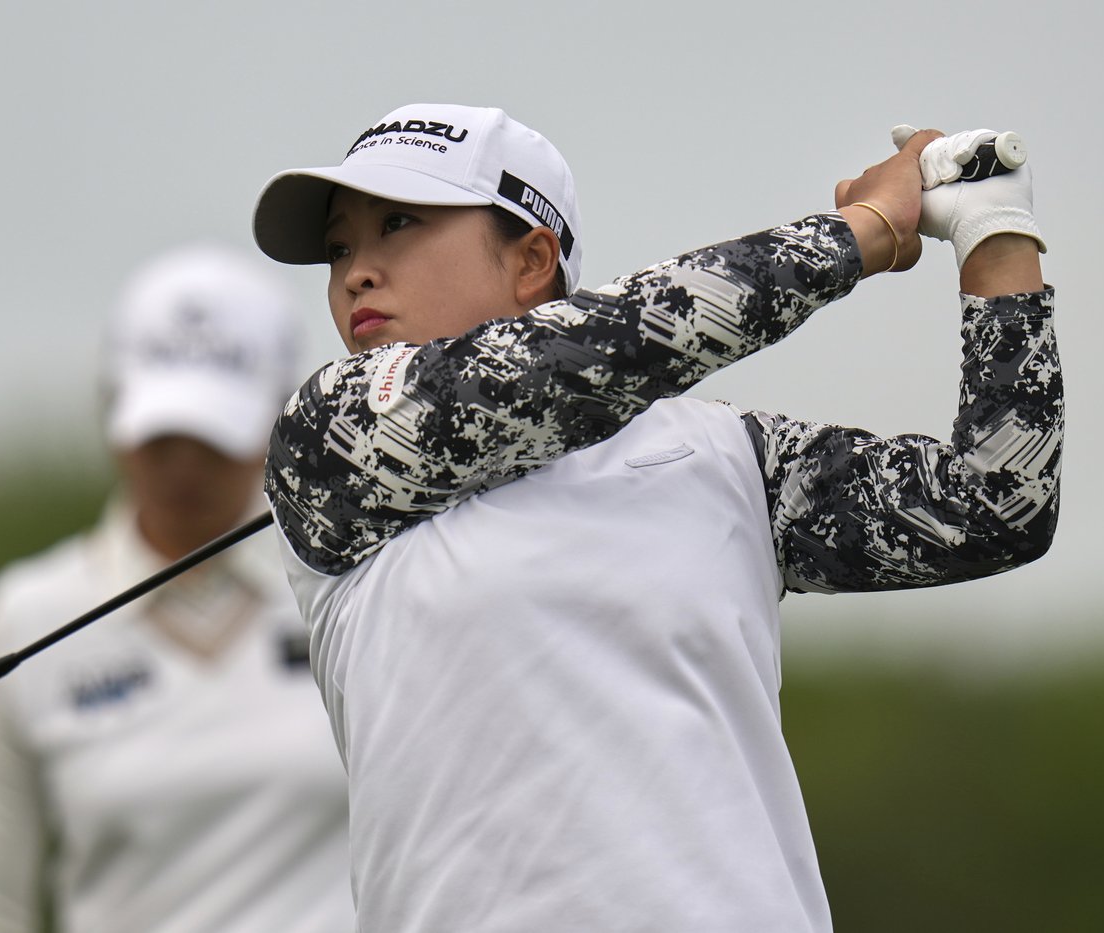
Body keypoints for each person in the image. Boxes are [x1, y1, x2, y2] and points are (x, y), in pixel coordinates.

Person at [248, 103, 1060, 932]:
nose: (357, 272)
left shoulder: (727, 457)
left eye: (396, 225)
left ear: (532, 260)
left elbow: (996, 504)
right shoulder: (329, 439)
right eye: (340, 247)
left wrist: (995, 234)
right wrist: (863, 230)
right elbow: (609, 346)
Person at [0, 244, 354, 933]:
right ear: (112, 412)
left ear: (282, 418)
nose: (184, 467)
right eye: (162, 437)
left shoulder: (351, 584)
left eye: (212, 439)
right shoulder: (26, 616)